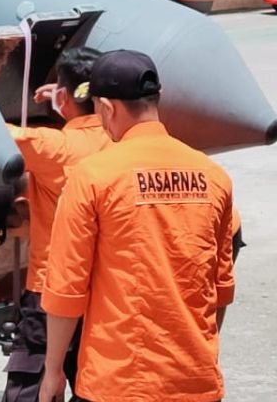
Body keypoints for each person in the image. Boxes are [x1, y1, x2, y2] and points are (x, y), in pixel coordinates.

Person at [40, 50, 235, 402]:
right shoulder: (213, 175)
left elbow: (67, 289)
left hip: (118, 382)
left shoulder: (94, 176)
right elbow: (220, 286)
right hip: (195, 381)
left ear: (107, 108)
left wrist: (53, 371)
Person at [0, 47, 110, 402]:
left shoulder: (53, 147)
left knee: (34, 387)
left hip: (51, 294)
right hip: (106, 296)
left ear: (64, 96)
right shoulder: (121, 142)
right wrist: (66, 102)